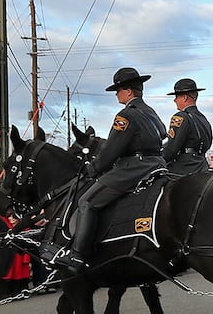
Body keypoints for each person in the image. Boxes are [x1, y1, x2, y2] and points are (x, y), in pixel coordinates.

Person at [51, 68, 166, 271]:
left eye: (118, 90)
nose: (116, 94)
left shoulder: (125, 116)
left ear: (128, 91)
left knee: (86, 201)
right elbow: (163, 134)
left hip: (132, 168)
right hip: (157, 164)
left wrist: (92, 168)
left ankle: (78, 255)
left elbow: (111, 151)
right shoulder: (151, 112)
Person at [160, 78, 213, 176]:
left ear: (184, 98)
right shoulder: (204, 119)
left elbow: (172, 149)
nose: (174, 100)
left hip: (183, 168)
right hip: (202, 166)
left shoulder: (180, 117)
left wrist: (158, 161)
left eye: (176, 96)